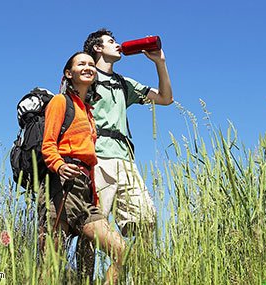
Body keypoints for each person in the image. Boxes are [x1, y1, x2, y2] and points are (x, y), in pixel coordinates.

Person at [76, 28, 173, 280]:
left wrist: (160, 62)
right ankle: (83, 279)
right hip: (96, 159)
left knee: (145, 221)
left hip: (126, 161)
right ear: (97, 48)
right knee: (95, 226)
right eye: (111, 42)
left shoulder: (123, 83)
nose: (118, 45)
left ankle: (122, 277)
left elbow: (165, 98)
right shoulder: (86, 75)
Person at [40, 51, 126, 284]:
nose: (88, 67)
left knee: (121, 251)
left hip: (85, 191)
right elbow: (47, 144)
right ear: (69, 73)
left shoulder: (88, 112)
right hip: (62, 187)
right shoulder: (60, 101)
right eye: (81, 64)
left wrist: (93, 193)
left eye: (91, 64)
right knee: (51, 266)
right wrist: (58, 166)